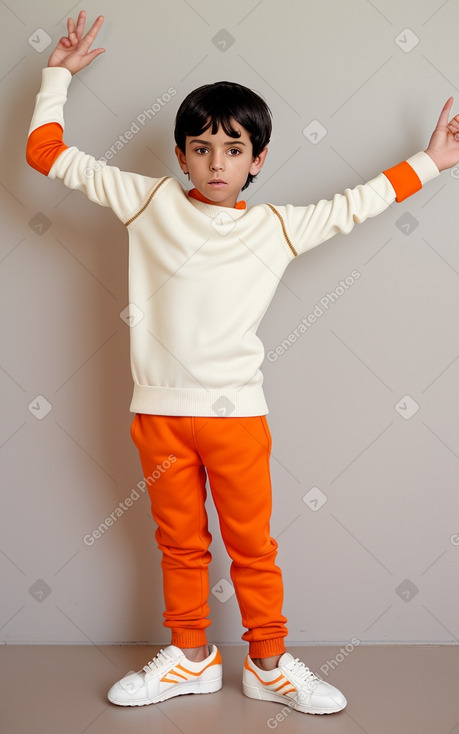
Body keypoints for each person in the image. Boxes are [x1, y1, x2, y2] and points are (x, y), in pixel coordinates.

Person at [26, 10, 459, 716]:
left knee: (251, 547)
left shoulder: (277, 226)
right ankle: (190, 659)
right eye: (200, 148)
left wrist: (431, 161)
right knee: (178, 544)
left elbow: (356, 204)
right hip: (158, 415)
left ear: (257, 159)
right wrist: (55, 76)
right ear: (180, 156)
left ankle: (266, 664)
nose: (216, 162)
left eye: (232, 149)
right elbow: (45, 153)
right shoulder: (146, 202)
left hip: (235, 419)